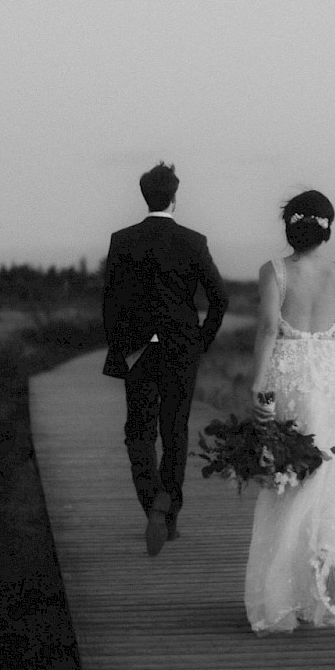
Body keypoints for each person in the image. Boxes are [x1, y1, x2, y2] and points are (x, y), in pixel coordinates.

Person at [244, 189, 335, 633]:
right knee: (327, 482)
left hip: (289, 377)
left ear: (289, 228)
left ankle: (280, 598)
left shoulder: (274, 271)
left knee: (288, 482)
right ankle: (317, 594)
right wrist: (325, 337)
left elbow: (268, 326)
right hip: (328, 378)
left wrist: (258, 384)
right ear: (327, 229)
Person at [102, 161, 228, 555]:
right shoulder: (194, 241)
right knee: (175, 431)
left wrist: (119, 346)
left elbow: (110, 302)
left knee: (138, 432)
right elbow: (220, 299)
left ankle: (152, 500)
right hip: (180, 348)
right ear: (175, 197)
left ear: (145, 196)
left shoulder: (122, 240)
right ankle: (169, 515)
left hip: (139, 350)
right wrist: (201, 340)